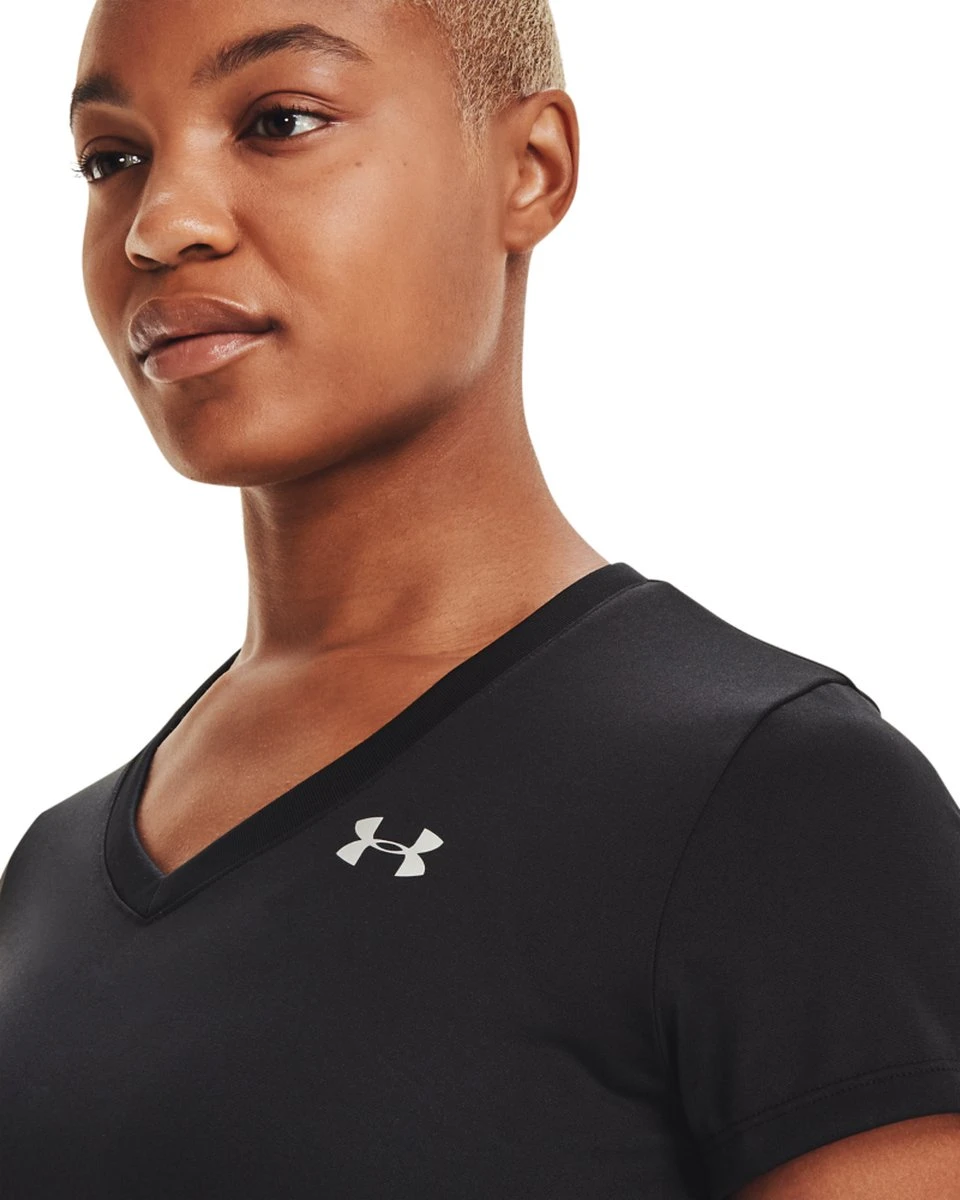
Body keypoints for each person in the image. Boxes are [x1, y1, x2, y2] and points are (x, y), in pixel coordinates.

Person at [0, 1, 958, 1196]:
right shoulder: (49, 875)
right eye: (113, 159)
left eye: (278, 121)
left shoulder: (773, 798)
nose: (160, 224)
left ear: (530, 169)